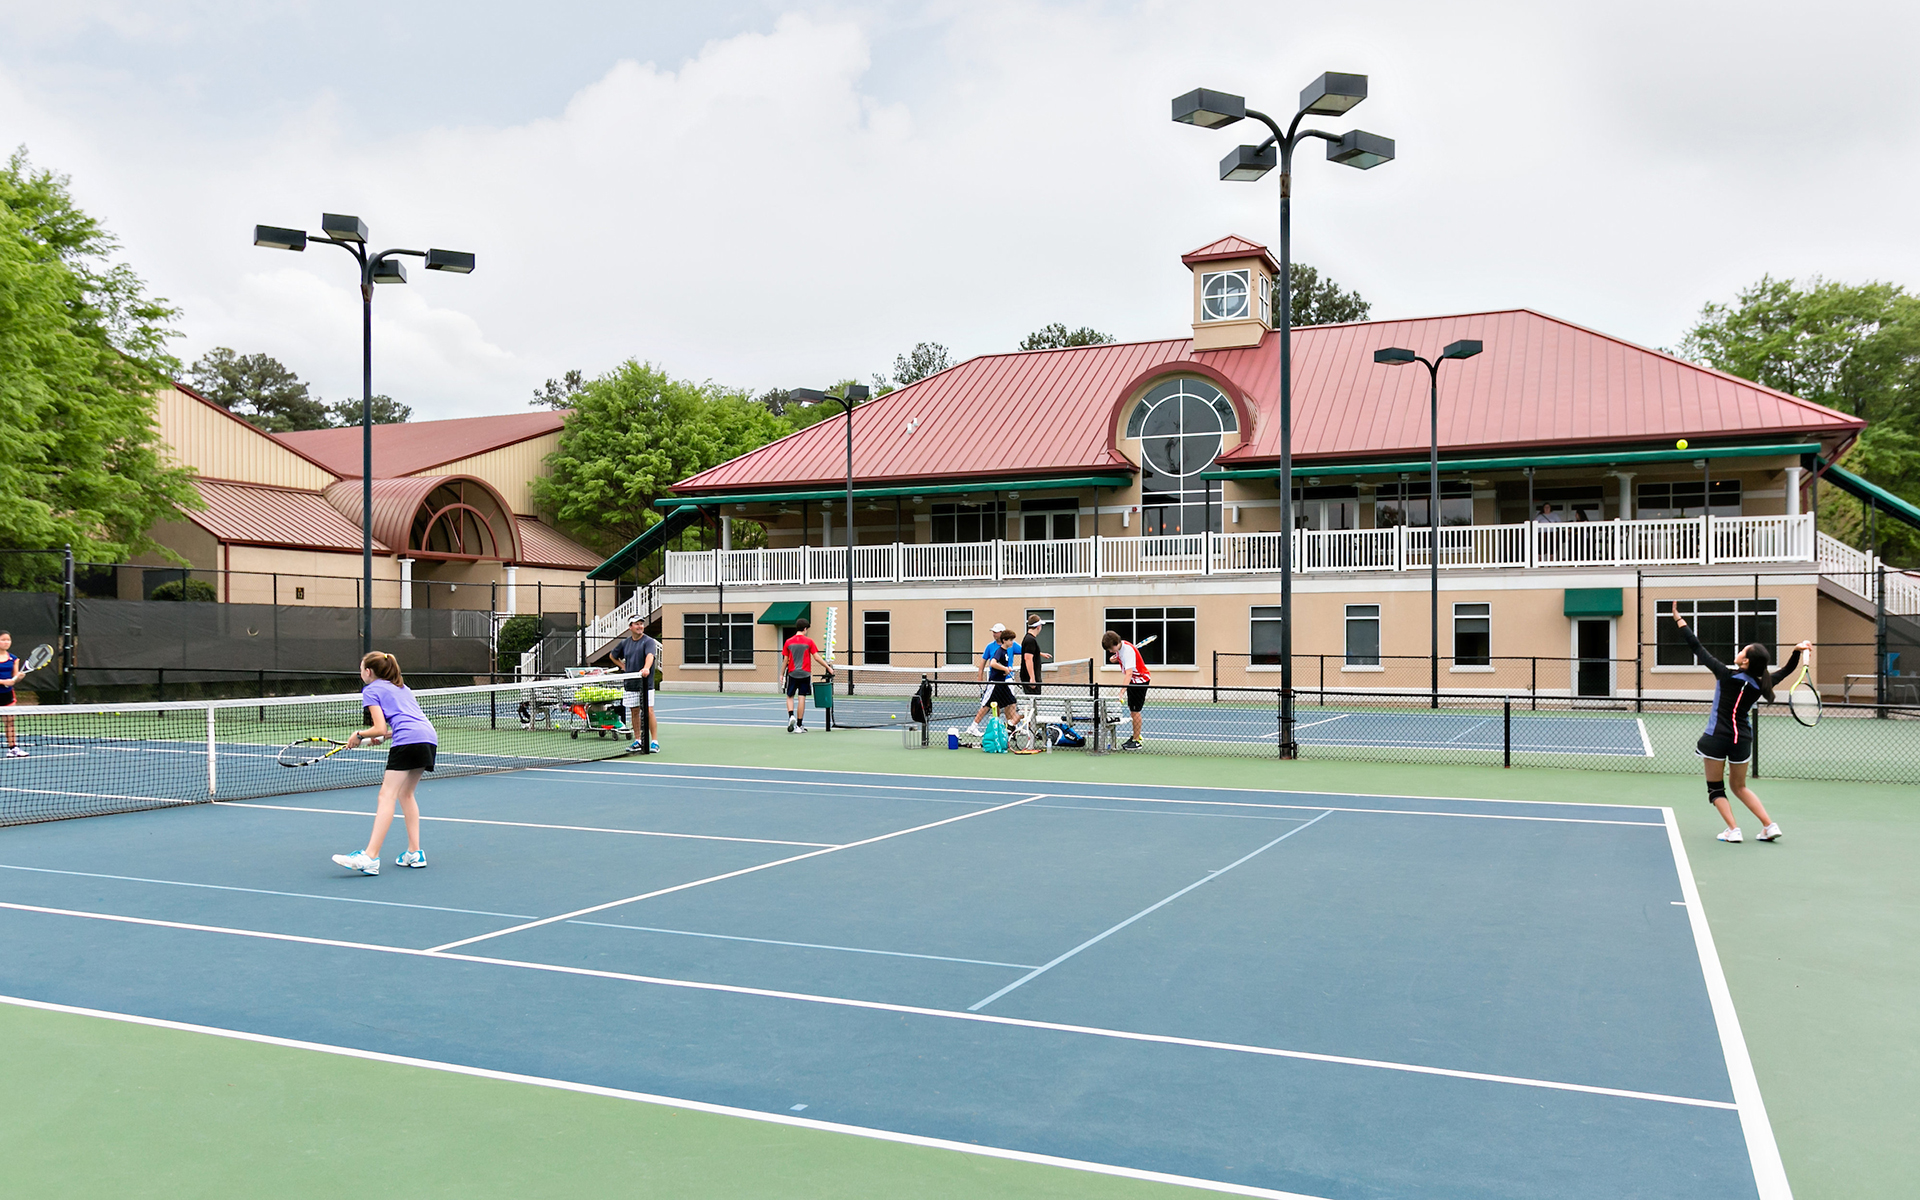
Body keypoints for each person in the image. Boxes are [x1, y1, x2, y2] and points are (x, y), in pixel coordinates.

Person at [1672, 612, 1808, 844]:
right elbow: (1786, 670)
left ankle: (1733, 829)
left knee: (1716, 789)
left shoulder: (1724, 674)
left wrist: (1678, 620)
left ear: (1745, 661)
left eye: (1743, 650)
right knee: (1740, 787)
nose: (1740, 651)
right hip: (1742, 740)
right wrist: (1796, 651)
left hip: (1715, 738)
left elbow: (1696, 647)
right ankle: (1769, 825)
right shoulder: (1762, 683)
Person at [331, 651, 438, 876]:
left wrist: (359, 734)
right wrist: (385, 737)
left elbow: (378, 727)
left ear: (368, 672)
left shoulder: (370, 690)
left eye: (361, 669)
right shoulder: (403, 688)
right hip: (428, 738)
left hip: (408, 740)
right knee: (406, 794)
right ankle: (414, 852)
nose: (360, 673)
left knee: (386, 795)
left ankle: (370, 856)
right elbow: (406, 720)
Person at [605, 618, 661, 752]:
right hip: (630, 683)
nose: (640, 626)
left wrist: (646, 668)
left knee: (649, 711)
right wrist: (623, 666)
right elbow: (612, 656)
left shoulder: (648, 641)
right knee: (634, 712)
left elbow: (650, 656)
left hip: (645, 683)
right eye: (637, 624)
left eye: (641, 624)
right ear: (630, 627)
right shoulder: (625, 643)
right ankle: (638, 740)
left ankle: (654, 742)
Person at [968, 624, 1021, 736]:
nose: (994, 634)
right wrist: (980, 675)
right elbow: (990, 663)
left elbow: (1026, 651)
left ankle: (1010, 727)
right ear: (1005, 639)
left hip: (1005, 682)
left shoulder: (1009, 648)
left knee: (1011, 702)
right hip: (996, 682)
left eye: (996, 632)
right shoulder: (995, 649)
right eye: (993, 632)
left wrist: (1039, 653)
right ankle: (973, 727)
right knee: (988, 705)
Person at [1101, 629, 1151, 750]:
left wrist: (1121, 692)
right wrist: (1116, 658)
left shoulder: (1128, 651)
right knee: (1132, 710)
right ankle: (1136, 735)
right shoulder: (1121, 646)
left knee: (1135, 711)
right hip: (1133, 682)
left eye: (1110, 649)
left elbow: (1129, 674)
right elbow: (1119, 656)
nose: (1110, 651)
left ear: (1115, 644)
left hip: (1140, 681)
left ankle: (1136, 740)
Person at [782, 617, 829, 733]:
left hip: (792, 673)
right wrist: (827, 667)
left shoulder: (788, 642)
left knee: (790, 696)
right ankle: (799, 725)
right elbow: (817, 657)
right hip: (805, 673)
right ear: (804, 628)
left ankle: (791, 715)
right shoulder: (809, 642)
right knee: (802, 697)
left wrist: (781, 673)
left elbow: (785, 660)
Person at [0, 632, 23, 757]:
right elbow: (6, 680)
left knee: (10, 721)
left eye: (8, 640)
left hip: (7, 695)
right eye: (3, 640)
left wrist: (19, 677)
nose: (6, 642)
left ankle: (13, 748)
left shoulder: (14, 659)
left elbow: (15, 678)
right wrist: (3, 681)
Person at [1019, 614, 1053, 697]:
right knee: (1033, 700)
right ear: (1038, 626)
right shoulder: (1030, 640)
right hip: (1030, 677)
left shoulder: (1029, 639)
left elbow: (1030, 652)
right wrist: (1032, 678)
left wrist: (1040, 653)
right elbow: (1028, 659)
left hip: (1031, 675)